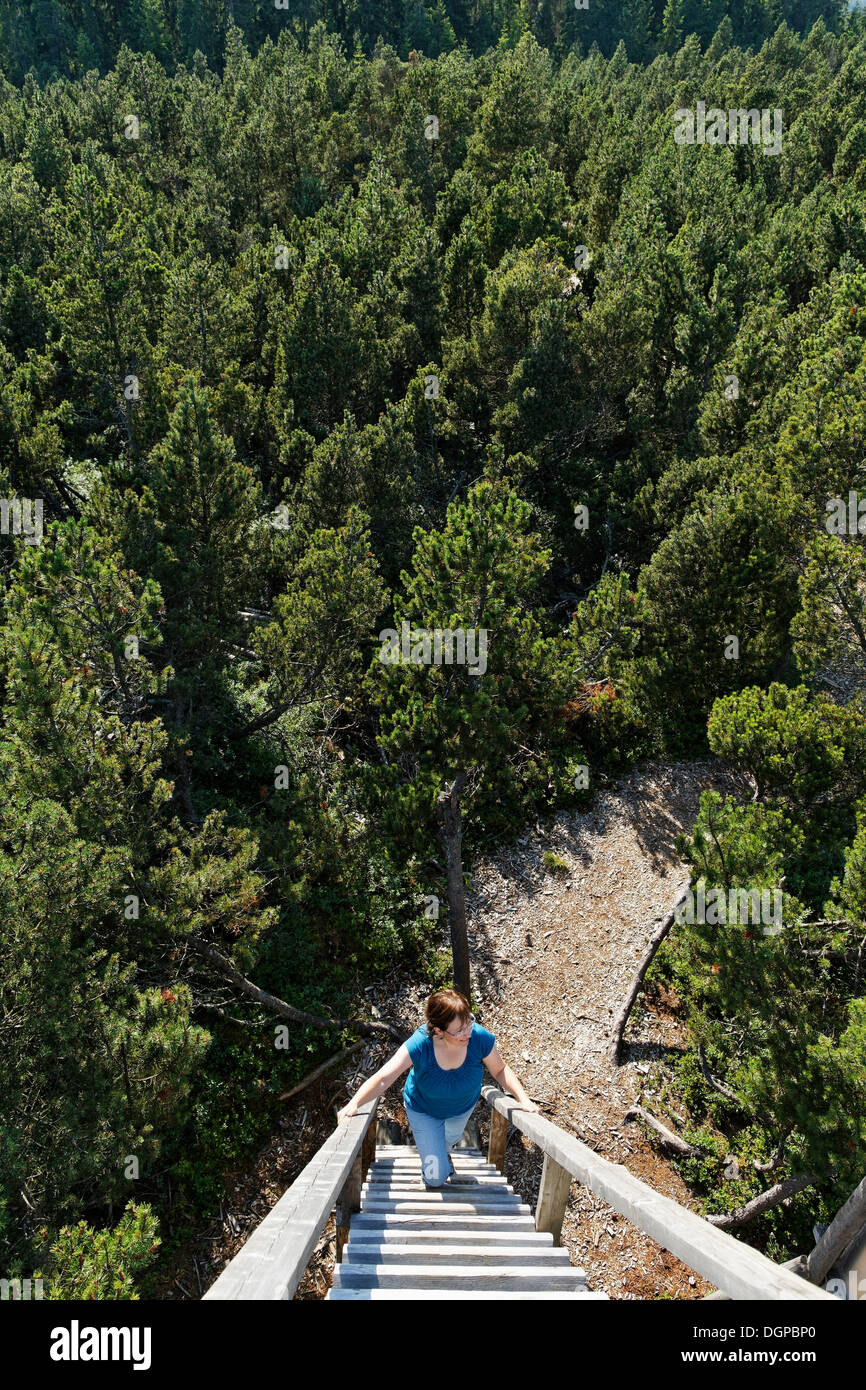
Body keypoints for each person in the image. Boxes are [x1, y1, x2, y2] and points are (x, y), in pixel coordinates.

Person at [336, 988, 539, 1187]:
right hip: (423, 1109)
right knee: (436, 1178)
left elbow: (500, 1070)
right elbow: (383, 1078)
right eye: (459, 1030)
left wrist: (524, 1100)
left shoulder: (478, 1037)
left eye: (469, 1022)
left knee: (448, 1141)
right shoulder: (421, 1044)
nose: (467, 1032)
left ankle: (441, 1152)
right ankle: (434, 1157)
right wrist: (354, 1104)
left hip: (462, 1109)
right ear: (438, 1030)